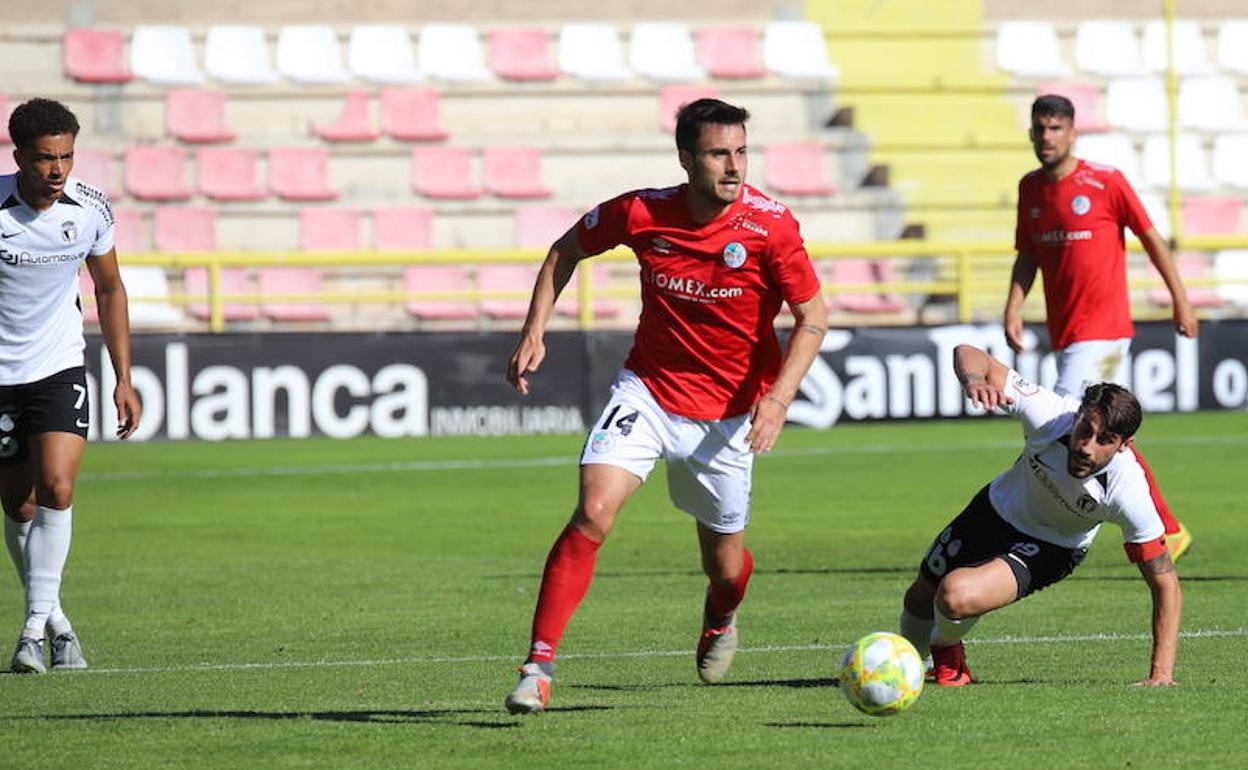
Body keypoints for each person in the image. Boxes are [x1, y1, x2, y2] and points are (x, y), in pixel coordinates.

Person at [501, 98, 828, 714]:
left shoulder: (771, 226)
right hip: (647, 393)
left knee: (725, 567)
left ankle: (721, 616)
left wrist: (779, 397)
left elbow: (814, 317)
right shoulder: (642, 211)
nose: (733, 167)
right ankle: (537, 666)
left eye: (740, 152)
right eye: (717, 153)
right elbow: (564, 249)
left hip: (729, 419)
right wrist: (533, 330)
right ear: (686, 159)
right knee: (594, 511)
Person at [898, 344, 1181, 688]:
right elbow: (969, 352)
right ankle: (903, 670)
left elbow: (1164, 581)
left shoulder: (1127, 490)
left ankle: (946, 651)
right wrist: (974, 380)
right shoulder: (1050, 415)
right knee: (918, 598)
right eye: (1085, 429)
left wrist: (1161, 675)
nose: (1086, 446)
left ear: (1124, 444)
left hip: (1052, 547)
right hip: (994, 510)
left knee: (956, 595)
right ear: (1077, 415)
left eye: (1104, 440)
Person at [1004, 94, 1196, 561]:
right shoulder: (1030, 188)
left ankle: (1041, 526)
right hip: (1066, 332)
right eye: (1040, 128)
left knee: (1064, 424)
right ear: (1031, 132)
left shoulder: (1106, 182)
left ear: (1072, 132)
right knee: (1100, 427)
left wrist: (1181, 300)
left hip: (1104, 328)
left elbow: (1151, 236)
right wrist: (1012, 308)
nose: (1047, 137)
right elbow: (1027, 254)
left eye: (1055, 128)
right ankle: (1166, 527)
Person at [2, 98, 141, 673]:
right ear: (19, 157)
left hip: (59, 365)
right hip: (2, 376)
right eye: (44, 159)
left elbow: (109, 289)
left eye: (67, 156)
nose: (58, 170)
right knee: (20, 503)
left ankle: (31, 632)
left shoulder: (90, 209)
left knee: (58, 486)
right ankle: (55, 619)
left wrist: (123, 377)